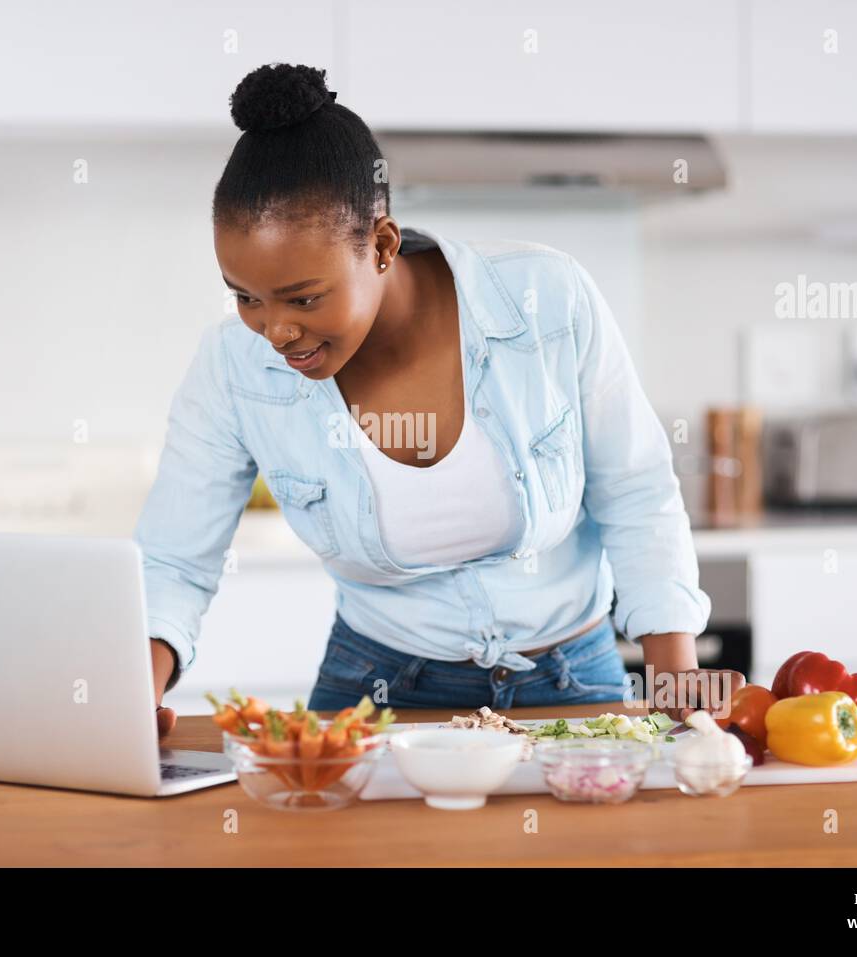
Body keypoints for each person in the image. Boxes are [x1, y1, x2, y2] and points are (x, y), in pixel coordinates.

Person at [138, 63, 739, 738]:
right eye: (246, 296)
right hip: (373, 694)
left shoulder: (547, 300)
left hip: (574, 682)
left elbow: (636, 490)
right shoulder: (231, 367)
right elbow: (173, 560)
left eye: (304, 298)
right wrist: (132, 690)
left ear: (383, 245)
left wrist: (674, 679)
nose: (275, 330)